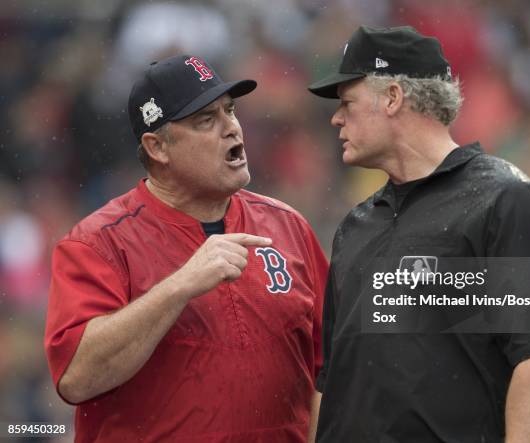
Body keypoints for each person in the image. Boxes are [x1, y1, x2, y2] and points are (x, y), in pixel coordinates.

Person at [307, 26, 530, 442]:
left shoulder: (507, 201)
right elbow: (331, 379)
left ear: (392, 97)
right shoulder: (356, 225)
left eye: (347, 102)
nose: (336, 117)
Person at [44, 54, 328, 443]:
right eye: (206, 121)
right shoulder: (98, 243)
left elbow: (330, 371)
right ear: (158, 147)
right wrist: (181, 286)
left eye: (230, 111)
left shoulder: (289, 227)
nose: (231, 129)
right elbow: (77, 378)